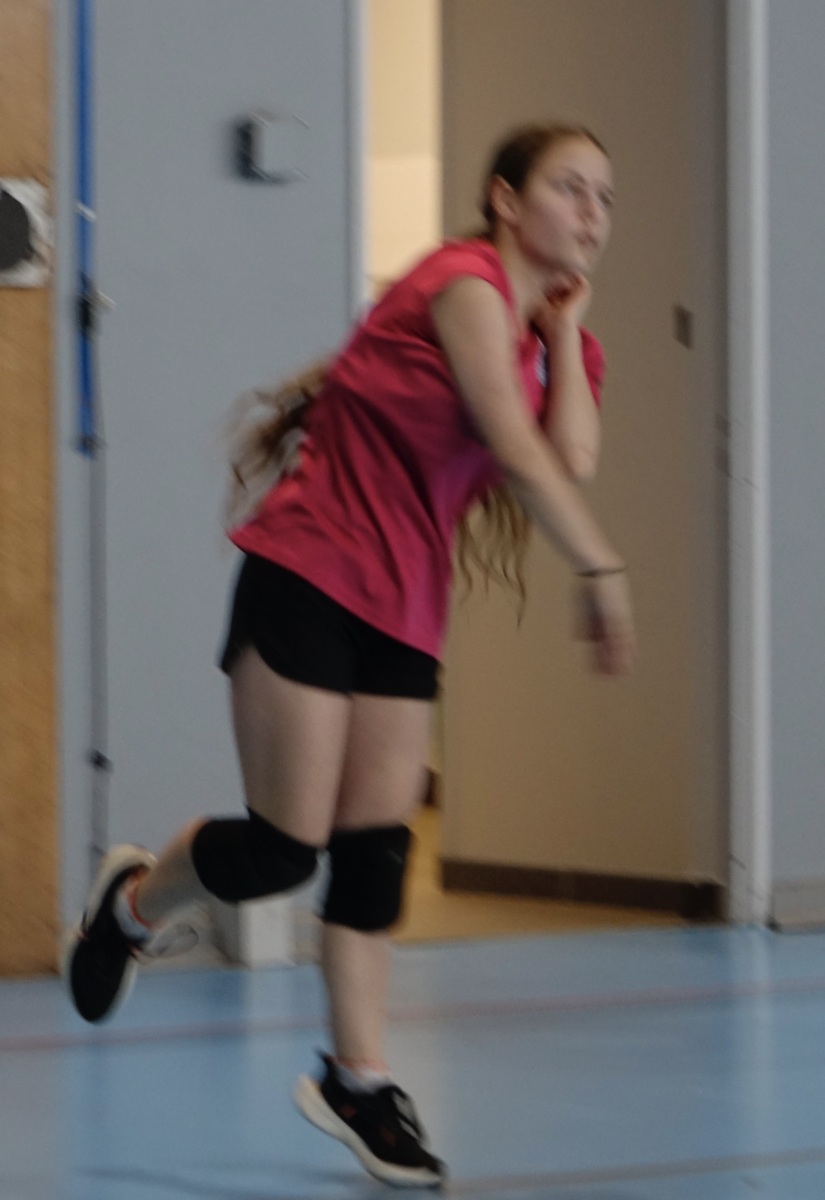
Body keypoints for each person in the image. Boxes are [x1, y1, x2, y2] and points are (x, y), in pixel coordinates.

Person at [64, 122, 636, 1189]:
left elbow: (568, 458)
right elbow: (510, 441)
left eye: (606, 197)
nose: (593, 213)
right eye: (570, 188)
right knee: (286, 851)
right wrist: (600, 569)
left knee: (374, 856)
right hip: (309, 572)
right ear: (505, 200)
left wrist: (565, 336)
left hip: (405, 612)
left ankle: (357, 1081)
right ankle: (132, 904)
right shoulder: (460, 282)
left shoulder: (558, 344)